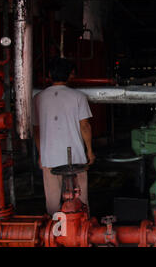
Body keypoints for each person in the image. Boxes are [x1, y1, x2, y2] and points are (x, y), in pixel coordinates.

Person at [32, 57, 95, 216]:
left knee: (52, 200)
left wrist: (41, 154)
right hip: (76, 156)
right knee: (81, 198)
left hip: (50, 157)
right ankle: (83, 229)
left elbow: (37, 130)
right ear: (70, 75)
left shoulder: (38, 98)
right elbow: (85, 126)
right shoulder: (78, 96)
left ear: (49, 75)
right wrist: (89, 151)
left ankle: (54, 233)